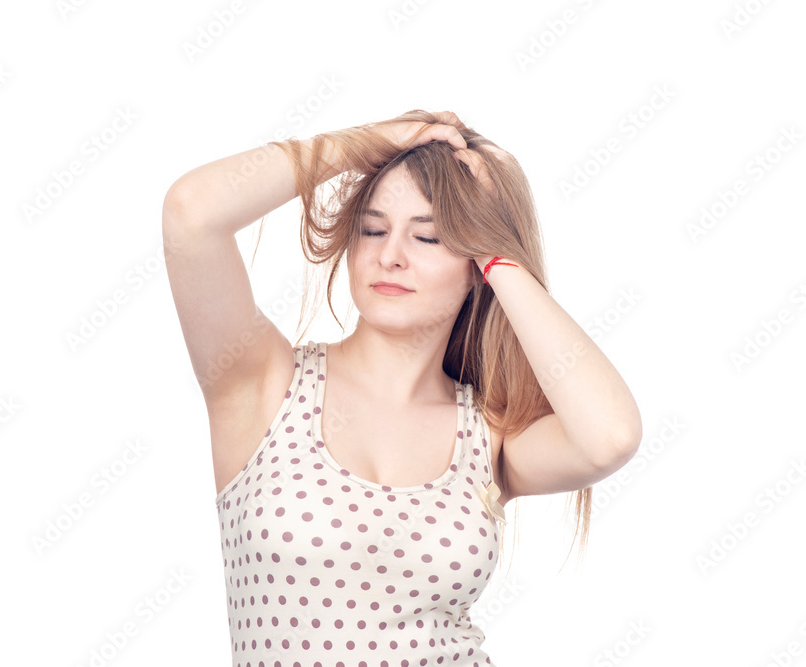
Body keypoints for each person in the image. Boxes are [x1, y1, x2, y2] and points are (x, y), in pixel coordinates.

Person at [162, 110, 642, 666]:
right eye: (373, 229)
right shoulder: (262, 384)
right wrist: (364, 143)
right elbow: (191, 215)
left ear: (475, 267)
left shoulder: (488, 435)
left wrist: (497, 250)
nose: (390, 255)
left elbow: (610, 437)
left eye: (429, 235)